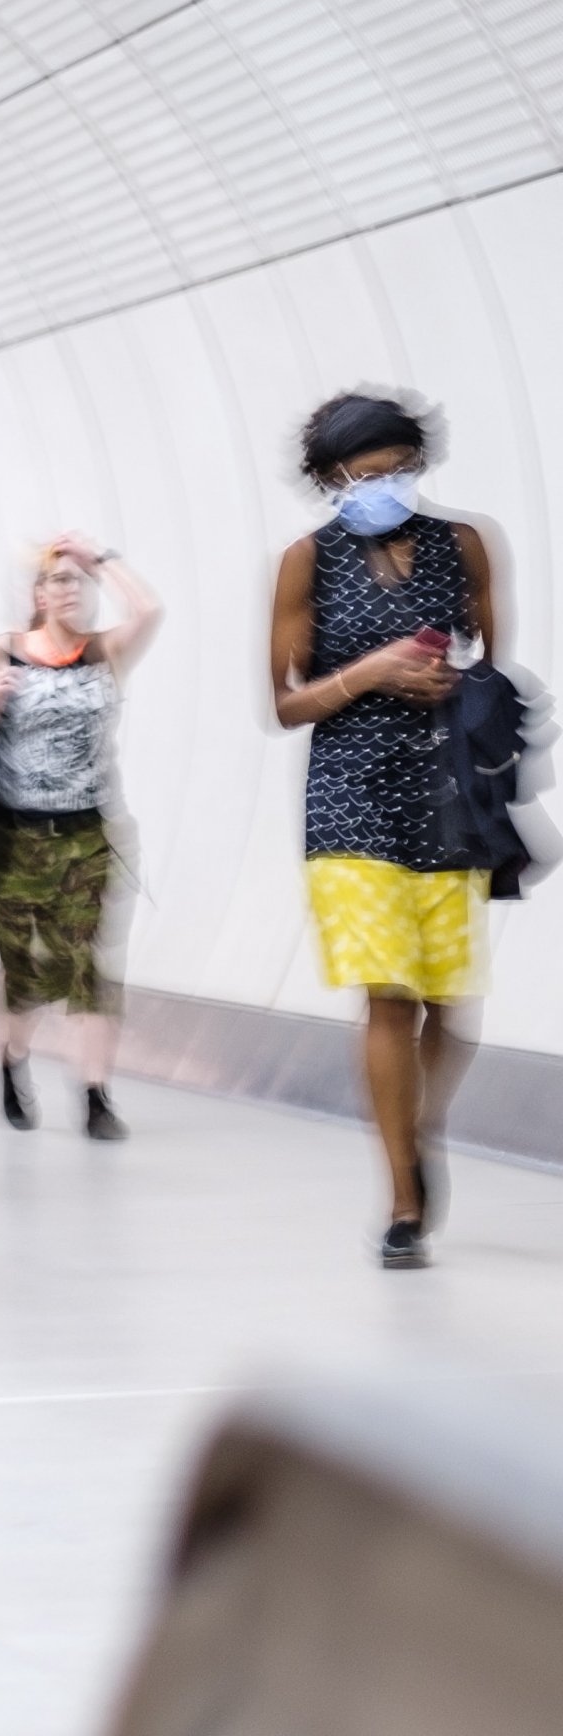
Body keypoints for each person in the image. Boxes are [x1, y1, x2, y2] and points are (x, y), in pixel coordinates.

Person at [271, 391, 493, 1269]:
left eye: (401, 469)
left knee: (452, 1001)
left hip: (445, 794)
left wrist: (455, 682)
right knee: (389, 994)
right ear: (331, 478)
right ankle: (403, 1198)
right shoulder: (307, 561)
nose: (387, 485)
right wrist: (369, 673)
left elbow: (491, 667)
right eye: (367, 474)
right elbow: (286, 702)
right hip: (349, 801)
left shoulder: (462, 545)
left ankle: (419, 1124)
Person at [0, 534, 161, 1136]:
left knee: (89, 963)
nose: (71, 590)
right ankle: (10, 1058)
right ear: (38, 594)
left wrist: (103, 561)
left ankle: (95, 1095)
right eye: (59, 580)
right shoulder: (5, 654)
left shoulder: (103, 651)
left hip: (87, 833)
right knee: (27, 971)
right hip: (16, 838)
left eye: (78, 581)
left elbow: (149, 611)